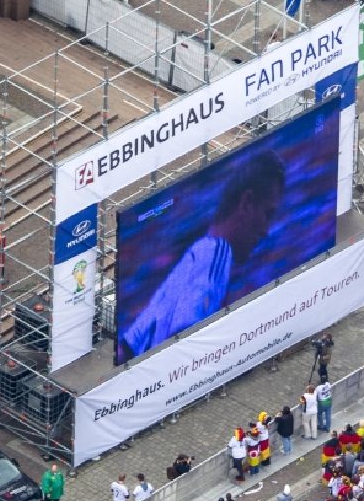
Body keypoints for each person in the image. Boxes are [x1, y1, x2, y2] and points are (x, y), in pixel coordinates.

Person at [119, 151, 286, 360]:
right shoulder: (218, 256)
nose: (266, 230)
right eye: (267, 214)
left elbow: (126, 347)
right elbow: (186, 340)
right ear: (246, 203)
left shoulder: (197, 255)